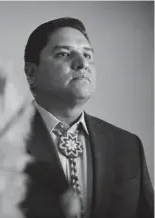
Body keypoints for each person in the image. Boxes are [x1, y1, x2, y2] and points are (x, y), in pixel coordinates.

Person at [19, 17, 154, 218]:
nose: (82, 64)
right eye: (63, 54)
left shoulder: (128, 145)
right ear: (31, 73)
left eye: (88, 55)